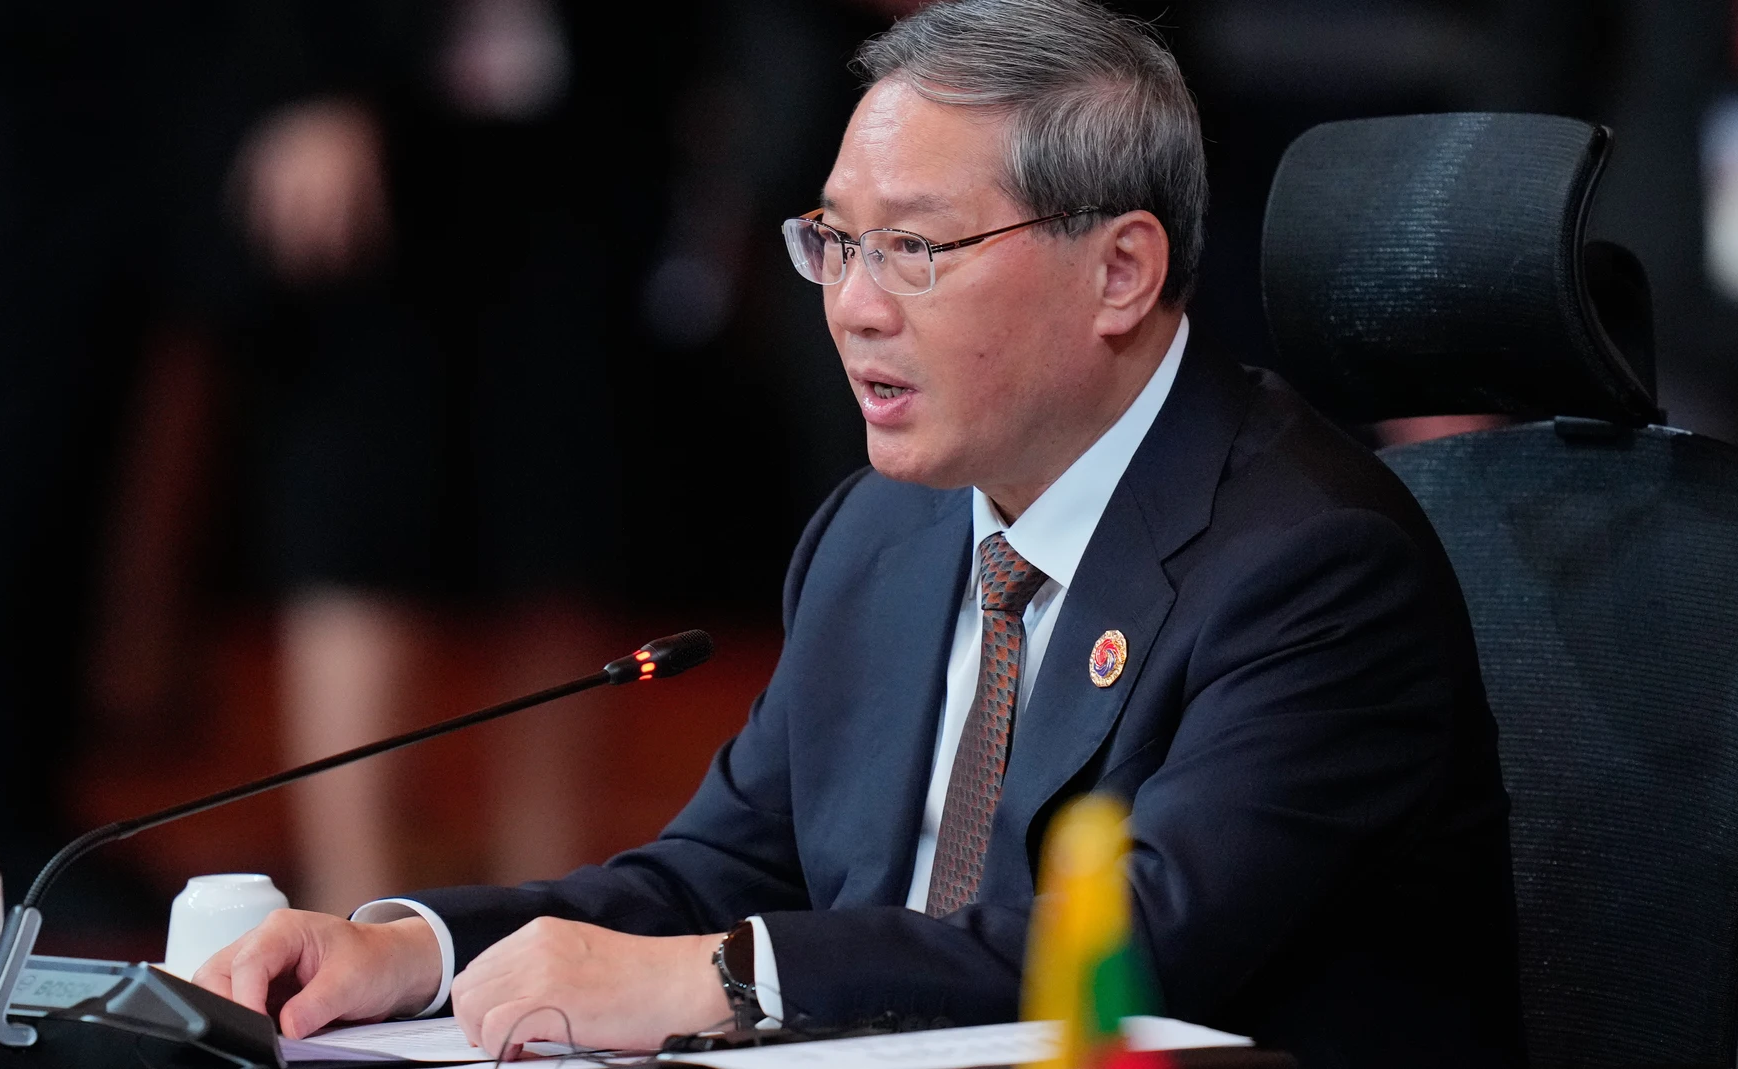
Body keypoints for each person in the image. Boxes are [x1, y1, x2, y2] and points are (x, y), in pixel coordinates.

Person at [198, 3, 1523, 1066]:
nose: (854, 306)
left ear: (1119, 271)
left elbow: (1130, 946)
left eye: (916, 249)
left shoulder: (1310, 564)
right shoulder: (882, 531)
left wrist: (724, 981)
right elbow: (725, 868)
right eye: (834, 241)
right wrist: (418, 950)